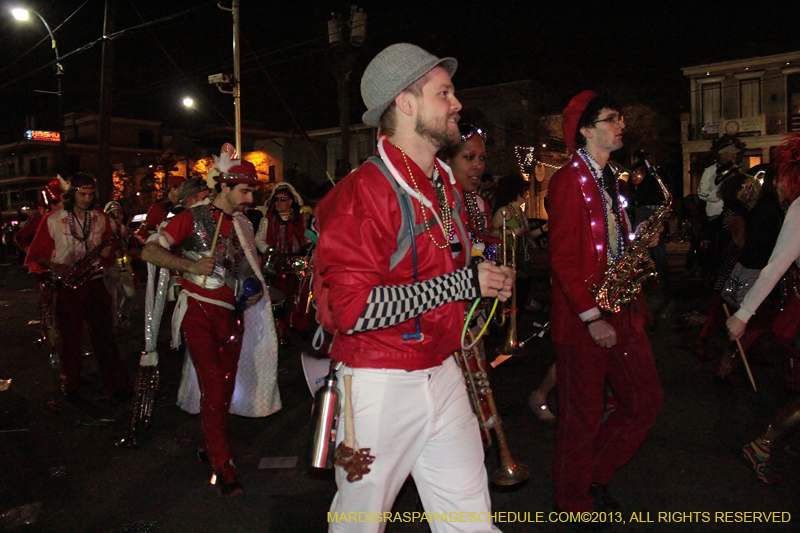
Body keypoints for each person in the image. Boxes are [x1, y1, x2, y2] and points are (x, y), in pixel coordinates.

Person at [314, 43, 513, 533]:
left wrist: (484, 274)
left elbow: (445, 261)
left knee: (471, 524)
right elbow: (353, 310)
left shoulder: (442, 181)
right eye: (443, 93)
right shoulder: (363, 192)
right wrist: (462, 283)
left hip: (441, 370)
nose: (456, 104)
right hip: (378, 383)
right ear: (405, 104)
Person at [547, 91, 662, 525]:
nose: (621, 125)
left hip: (622, 307)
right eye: (612, 118)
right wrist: (591, 317)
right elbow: (562, 258)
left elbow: (609, 244)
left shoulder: (611, 178)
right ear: (586, 130)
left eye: (620, 117)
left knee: (644, 400)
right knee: (581, 418)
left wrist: (639, 241)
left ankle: (594, 474)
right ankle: (572, 503)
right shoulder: (567, 181)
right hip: (585, 320)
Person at [141, 156, 274, 498]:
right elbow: (149, 252)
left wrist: (254, 289)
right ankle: (222, 462)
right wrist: (190, 265)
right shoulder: (191, 217)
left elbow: (248, 268)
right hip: (199, 309)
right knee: (213, 384)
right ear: (225, 186)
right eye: (244, 191)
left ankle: (207, 443)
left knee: (225, 385)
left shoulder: (243, 224)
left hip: (231, 312)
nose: (250, 199)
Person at [25, 173, 130, 404]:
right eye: (82, 194)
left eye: (91, 195)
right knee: (68, 339)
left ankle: (116, 385)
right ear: (72, 193)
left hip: (94, 282)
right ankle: (70, 384)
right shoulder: (53, 220)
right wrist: (55, 266)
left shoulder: (100, 218)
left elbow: (110, 250)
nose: (87, 199)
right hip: (66, 286)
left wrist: (108, 253)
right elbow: (36, 255)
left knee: (105, 337)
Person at [255, 182, 311, 336]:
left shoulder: (299, 219)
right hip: (277, 263)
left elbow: (305, 238)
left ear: (291, 201)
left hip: (297, 261)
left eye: (283, 199)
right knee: (280, 297)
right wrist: (269, 250)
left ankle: (298, 325)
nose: (279, 203)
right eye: (276, 199)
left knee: (301, 294)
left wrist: (308, 245)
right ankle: (281, 329)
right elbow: (258, 240)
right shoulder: (267, 220)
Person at [439, 123, 500, 260]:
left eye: (482, 158)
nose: (478, 165)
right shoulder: (428, 204)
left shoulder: (479, 204)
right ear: (446, 161)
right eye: (469, 157)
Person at [697, 135, 744, 283]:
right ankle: (715, 277)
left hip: (732, 214)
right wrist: (717, 194)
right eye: (732, 153)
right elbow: (701, 193)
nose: (734, 156)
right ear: (724, 154)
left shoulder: (736, 171)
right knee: (719, 248)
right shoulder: (710, 171)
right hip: (716, 215)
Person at [103, 201, 137, 326]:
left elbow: (133, 246)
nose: (117, 215)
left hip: (124, 261)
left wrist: (132, 251)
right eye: (113, 213)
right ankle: (113, 325)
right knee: (111, 298)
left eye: (118, 212)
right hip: (110, 264)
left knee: (130, 294)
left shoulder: (126, 230)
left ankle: (123, 315)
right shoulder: (104, 231)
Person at [135, 175, 185, 243]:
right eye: (183, 189)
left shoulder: (185, 206)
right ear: (174, 189)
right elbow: (142, 233)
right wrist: (157, 242)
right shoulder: (158, 208)